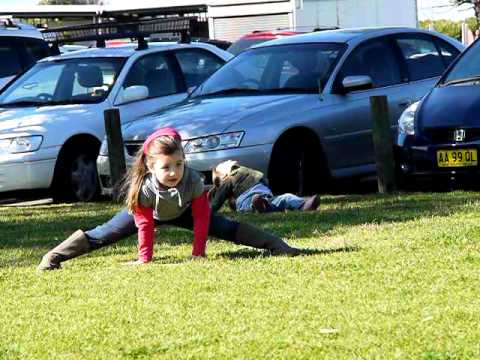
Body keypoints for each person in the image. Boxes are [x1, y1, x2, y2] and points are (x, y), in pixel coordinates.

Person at [38, 128, 301, 270]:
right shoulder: (143, 189)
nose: (174, 172)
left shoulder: (193, 181)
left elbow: (201, 218)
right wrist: (145, 260)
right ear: (151, 167)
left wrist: (198, 254)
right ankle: (52, 257)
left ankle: (280, 246)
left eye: (179, 164)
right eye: (166, 167)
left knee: (227, 228)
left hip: (184, 210)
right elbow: (145, 226)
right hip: (147, 213)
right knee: (102, 234)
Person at [208, 160, 320, 213]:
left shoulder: (229, 179)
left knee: (247, 204)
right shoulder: (247, 170)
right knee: (284, 198)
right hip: (263, 191)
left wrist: (208, 210)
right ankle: (304, 204)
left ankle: (257, 205)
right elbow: (263, 179)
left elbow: (217, 201)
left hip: (247, 197)